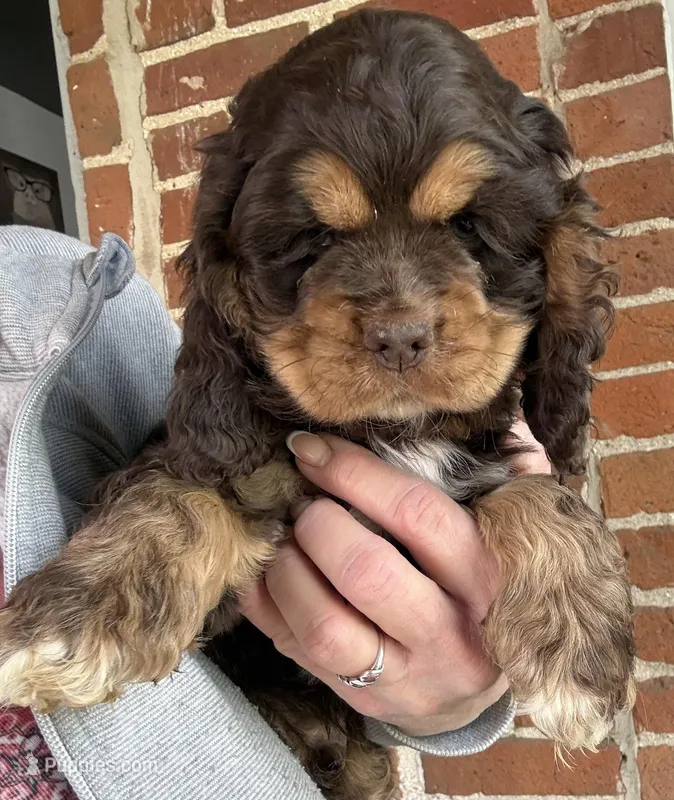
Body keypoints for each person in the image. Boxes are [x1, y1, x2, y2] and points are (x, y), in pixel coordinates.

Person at [0, 225, 550, 799]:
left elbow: (195, 462)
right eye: (309, 243)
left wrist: (438, 703)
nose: (398, 319)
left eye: (468, 231)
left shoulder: (51, 286)